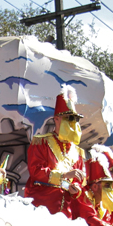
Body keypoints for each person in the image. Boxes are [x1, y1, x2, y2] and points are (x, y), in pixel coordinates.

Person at [24, 87, 86, 218]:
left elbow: (79, 183)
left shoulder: (78, 152)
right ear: (56, 119)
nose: (73, 122)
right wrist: (64, 175)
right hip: (42, 209)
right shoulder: (41, 143)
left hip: (66, 212)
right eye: (68, 118)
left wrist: (75, 188)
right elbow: (36, 172)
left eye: (75, 119)